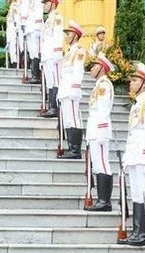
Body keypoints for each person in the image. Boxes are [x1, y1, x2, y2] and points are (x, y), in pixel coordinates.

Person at [118, 63, 145, 246]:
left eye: (134, 80)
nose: (131, 83)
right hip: (135, 155)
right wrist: (128, 156)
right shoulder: (137, 105)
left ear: (144, 83)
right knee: (136, 193)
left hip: (144, 157)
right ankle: (136, 231)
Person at [84, 53, 115, 212]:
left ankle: (105, 201)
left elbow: (103, 109)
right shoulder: (99, 85)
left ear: (102, 68)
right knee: (98, 164)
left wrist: (100, 132)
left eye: (95, 65)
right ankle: (102, 199)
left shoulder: (104, 85)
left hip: (100, 130)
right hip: (95, 130)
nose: (91, 68)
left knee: (102, 163)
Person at [57, 21, 86, 159]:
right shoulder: (69, 53)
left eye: (68, 34)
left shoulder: (79, 51)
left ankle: (76, 150)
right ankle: (70, 147)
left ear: (75, 35)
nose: (66, 37)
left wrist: (74, 89)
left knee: (74, 119)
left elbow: (78, 72)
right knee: (68, 120)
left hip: (72, 91)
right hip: (65, 91)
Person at [39, 0, 63, 118]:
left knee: (54, 81)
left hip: (53, 56)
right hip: (47, 56)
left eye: (46, 3)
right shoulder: (49, 18)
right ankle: (51, 106)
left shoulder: (57, 17)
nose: (44, 5)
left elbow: (58, 36)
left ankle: (54, 107)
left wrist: (57, 55)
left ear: (53, 4)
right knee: (49, 82)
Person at [20, 0, 42, 84]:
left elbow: (39, 11)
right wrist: (23, 23)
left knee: (36, 51)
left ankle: (36, 75)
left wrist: (38, 26)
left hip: (36, 28)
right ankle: (34, 75)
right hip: (29, 28)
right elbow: (24, 10)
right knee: (32, 52)